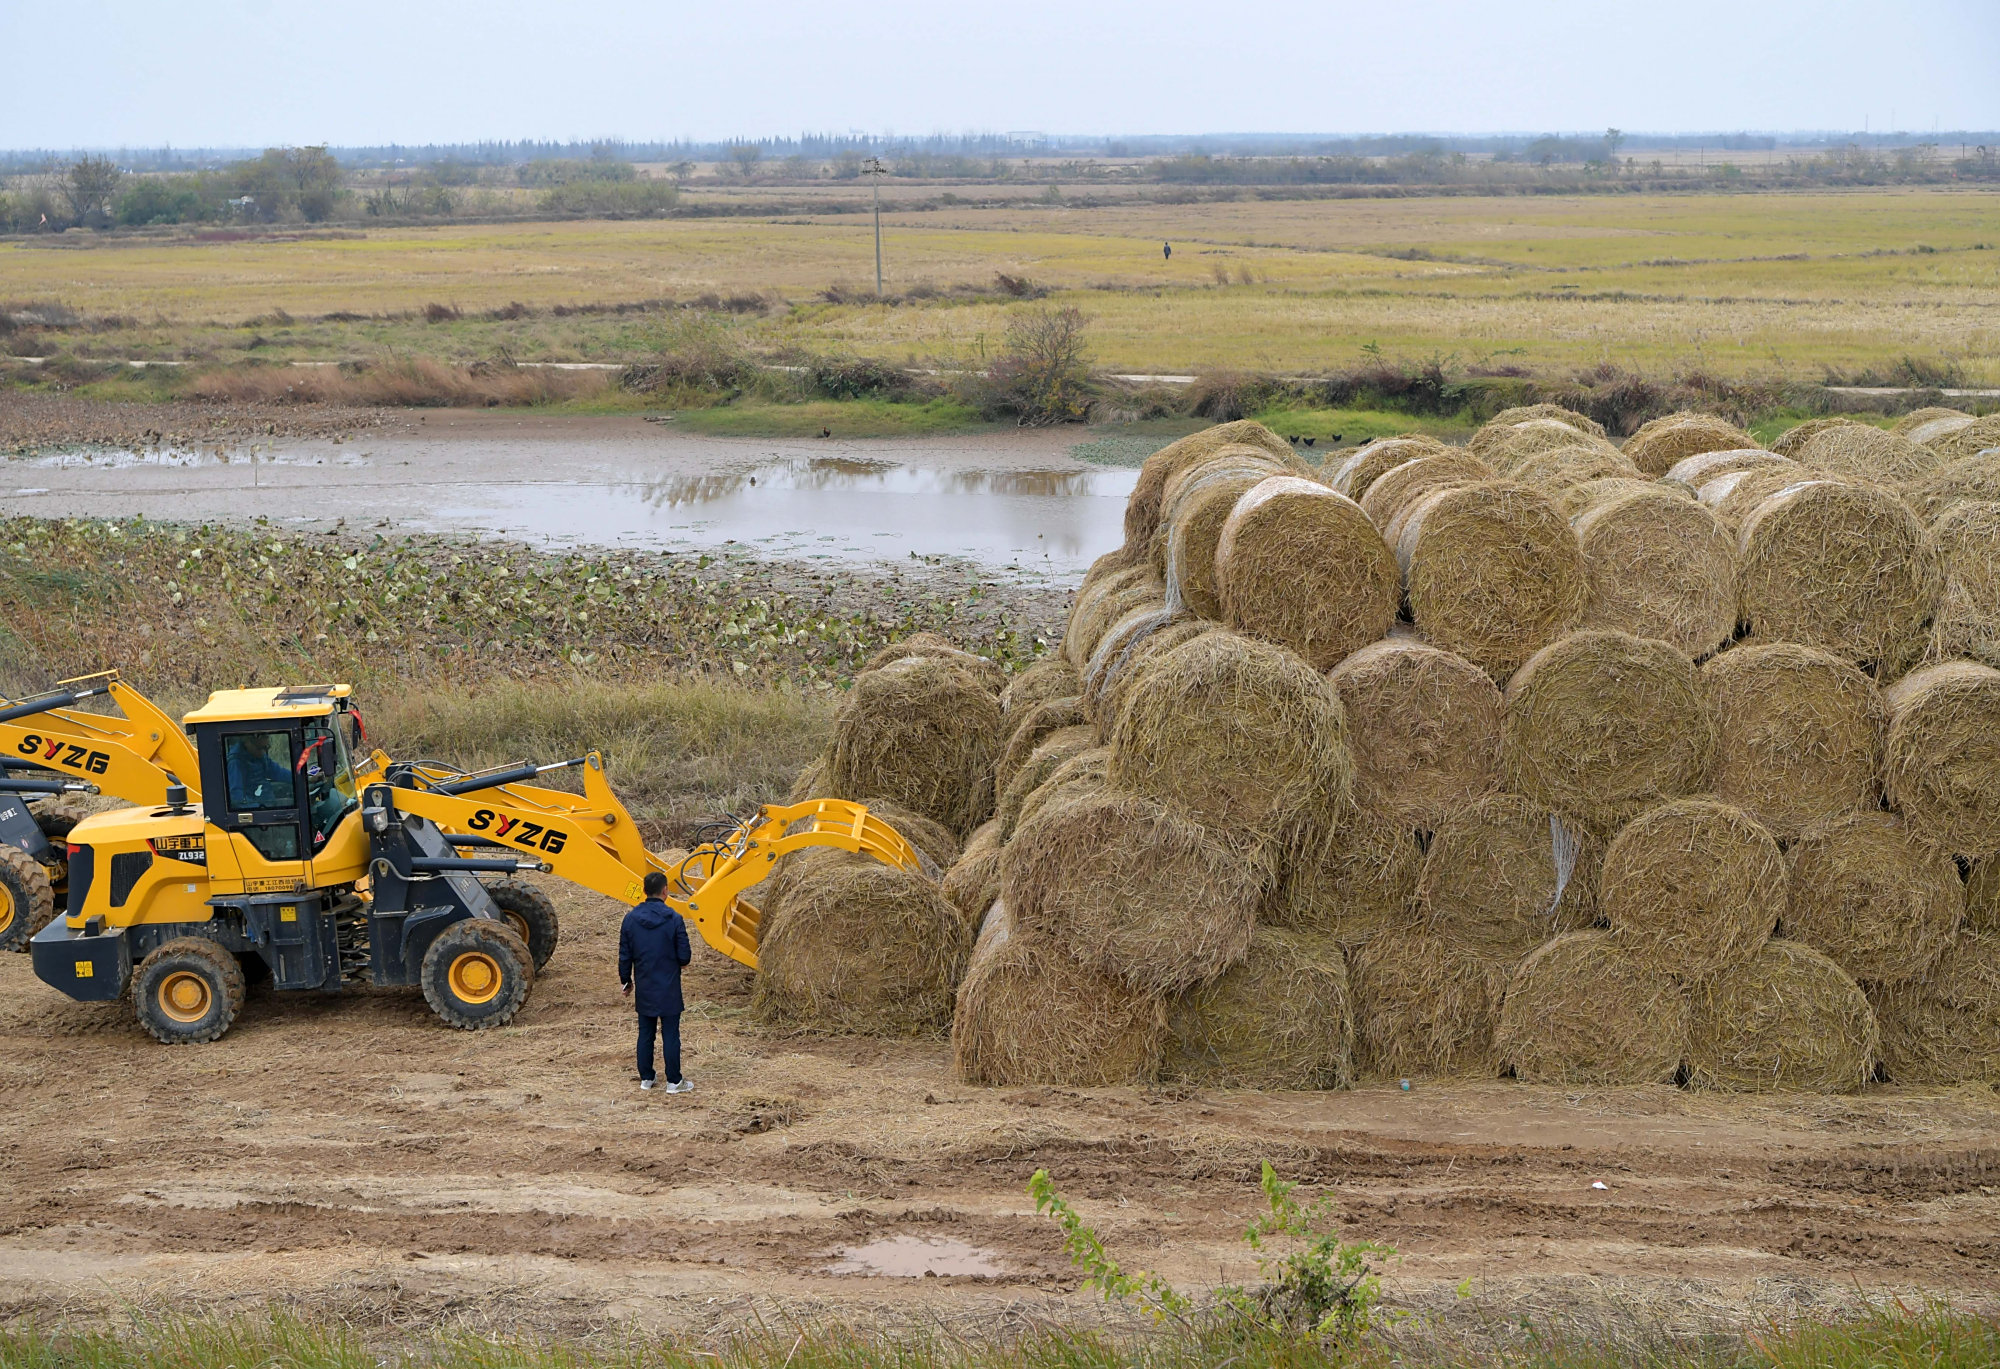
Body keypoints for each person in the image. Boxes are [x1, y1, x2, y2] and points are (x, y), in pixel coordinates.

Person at [620, 871, 693, 1093]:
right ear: (665, 891)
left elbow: (625, 955)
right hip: (669, 985)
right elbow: (685, 956)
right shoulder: (674, 918)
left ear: (643, 891)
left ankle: (647, 1078)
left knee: (645, 1033)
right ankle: (674, 1081)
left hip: (645, 985)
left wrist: (626, 981)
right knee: (670, 1033)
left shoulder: (630, 919)